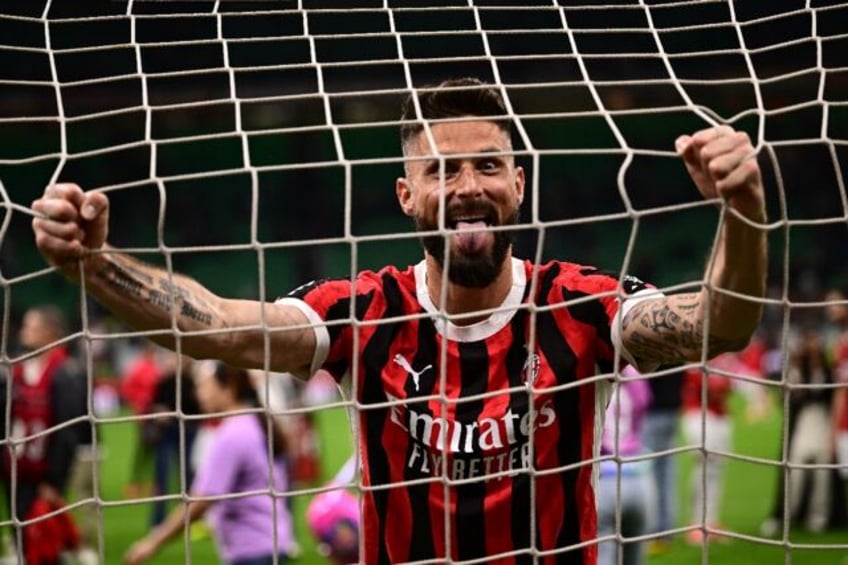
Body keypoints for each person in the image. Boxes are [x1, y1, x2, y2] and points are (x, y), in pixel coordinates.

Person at [32, 77, 768, 563]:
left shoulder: (581, 303)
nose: (466, 187)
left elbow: (718, 327)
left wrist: (744, 211)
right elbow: (218, 324)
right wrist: (94, 265)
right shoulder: (364, 310)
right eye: (440, 171)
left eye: (486, 165)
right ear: (406, 195)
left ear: (520, 180)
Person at [124, 360, 297, 564]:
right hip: (270, 543)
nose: (198, 393)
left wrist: (152, 543)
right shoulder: (252, 422)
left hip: (254, 551)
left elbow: (202, 500)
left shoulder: (232, 434)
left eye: (205, 385)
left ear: (228, 388)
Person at [0, 305, 86, 560]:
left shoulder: (64, 374)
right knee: (23, 540)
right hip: (16, 471)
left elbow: (68, 431)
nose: (23, 331)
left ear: (49, 333)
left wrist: (54, 480)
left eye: (30, 326)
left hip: (42, 476)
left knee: (43, 544)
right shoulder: (22, 369)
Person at [596, 366, 653, 565]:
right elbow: (644, 402)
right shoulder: (633, 373)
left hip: (602, 479)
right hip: (637, 478)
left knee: (602, 555)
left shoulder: (588, 374)